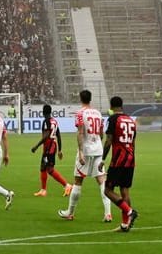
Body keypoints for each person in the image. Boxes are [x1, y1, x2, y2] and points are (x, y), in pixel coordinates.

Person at [58, 89, 112, 223]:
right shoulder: (98, 113)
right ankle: (108, 213)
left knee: (78, 181)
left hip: (86, 150)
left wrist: (81, 151)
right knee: (101, 181)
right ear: (90, 99)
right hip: (98, 150)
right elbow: (101, 133)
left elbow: (80, 132)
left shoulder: (80, 113)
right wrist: (97, 142)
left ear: (80, 99)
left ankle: (70, 213)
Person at [103, 96, 140, 233]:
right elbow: (133, 142)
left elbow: (108, 140)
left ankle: (130, 212)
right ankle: (125, 225)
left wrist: (102, 159)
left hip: (118, 160)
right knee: (125, 190)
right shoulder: (131, 120)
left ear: (111, 106)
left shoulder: (113, 119)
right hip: (130, 159)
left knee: (107, 190)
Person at [31, 103, 71, 196]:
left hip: (49, 147)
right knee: (43, 168)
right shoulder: (54, 121)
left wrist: (36, 146)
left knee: (49, 169)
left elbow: (46, 135)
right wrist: (60, 150)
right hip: (52, 146)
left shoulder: (46, 121)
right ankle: (43, 190)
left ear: (43, 112)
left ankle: (67, 185)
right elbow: (59, 135)